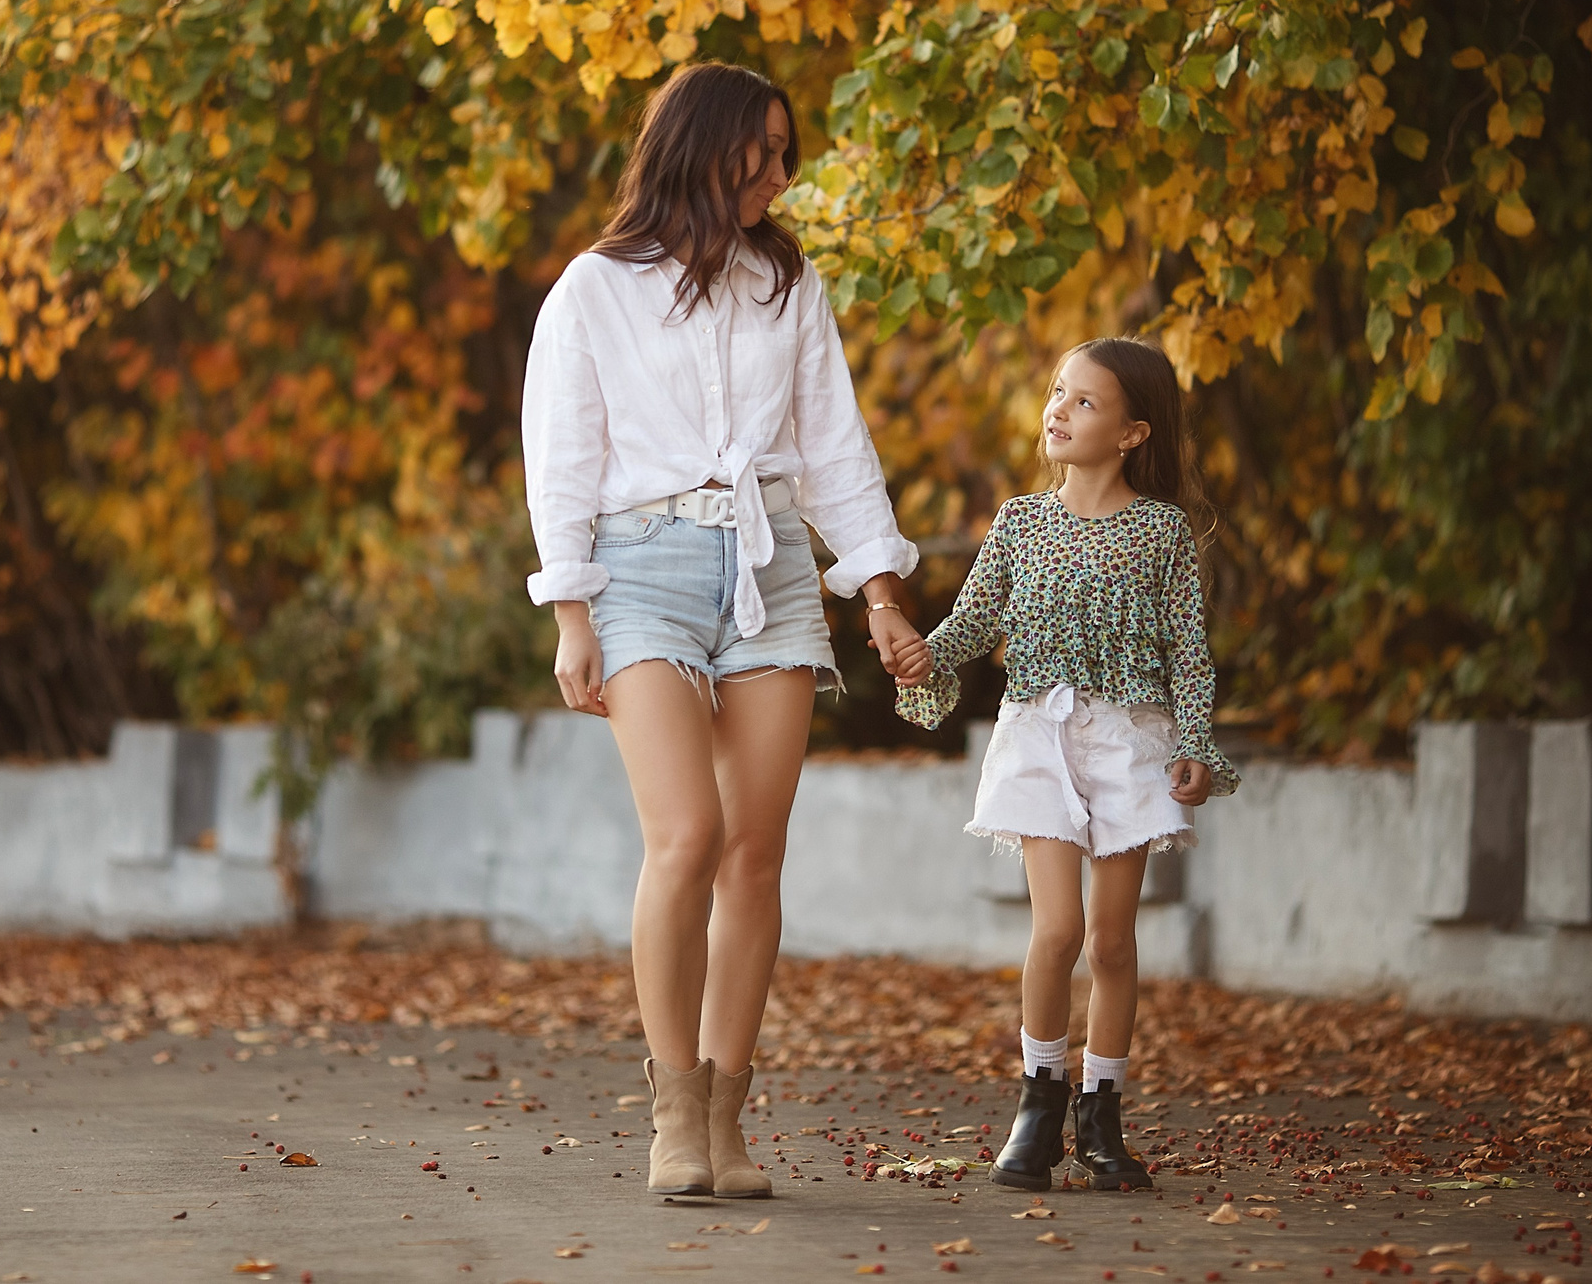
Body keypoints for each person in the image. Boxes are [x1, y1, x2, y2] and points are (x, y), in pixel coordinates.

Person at [522, 61, 930, 1199]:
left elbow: (835, 445)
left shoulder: (787, 282)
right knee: (686, 836)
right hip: (638, 570)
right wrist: (570, 613)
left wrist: (880, 594)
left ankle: (724, 1123)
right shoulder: (594, 288)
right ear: (704, 147)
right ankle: (670, 1117)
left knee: (754, 852)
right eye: (766, 151)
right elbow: (562, 457)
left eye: (788, 153)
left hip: (771, 565)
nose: (781, 174)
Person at [896, 336, 1238, 1192]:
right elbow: (973, 622)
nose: (1059, 408)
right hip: (1038, 734)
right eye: (1057, 391)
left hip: (1130, 740)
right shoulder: (1020, 521)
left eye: (1085, 400)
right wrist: (925, 655)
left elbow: (1189, 652)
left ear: (1131, 432)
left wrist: (1195, 741)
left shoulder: (1161, 531)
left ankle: (1101, 1116)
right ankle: (1038, 1107)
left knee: (1112, 941)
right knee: (1057, 931)